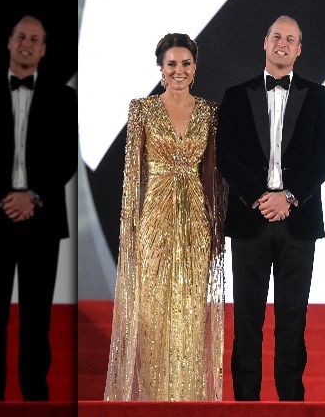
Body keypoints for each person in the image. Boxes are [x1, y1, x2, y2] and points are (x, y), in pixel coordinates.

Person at [217, 15, 325, 401]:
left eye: (291, 38)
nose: (283, 43)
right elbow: (226, 156)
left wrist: (288, 197)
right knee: (247, 322)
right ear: (265, 43)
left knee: (293, 320)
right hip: (249, 220)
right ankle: (245, 406)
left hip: (297, 221)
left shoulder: (320, 97)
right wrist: (260, 196)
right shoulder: (236, 95)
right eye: (277, 36)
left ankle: (292, 404)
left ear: (300, 48)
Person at [103, 33, 225, 401]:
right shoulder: (141, 110)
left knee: (188, 316)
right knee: (153, 317)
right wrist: (133, 229)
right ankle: (156, 401)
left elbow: (212, 174)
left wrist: (215, 227)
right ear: (160, 68)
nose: (179, 70)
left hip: (196, 226)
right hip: (154, 221)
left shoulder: (209, 111)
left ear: (195, 69)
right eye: (172, 63)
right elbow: (132, 178)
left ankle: (186, 401)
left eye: (186, 64)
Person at [0, 15, 77, 401]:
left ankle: (35, 402)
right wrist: (5, 196)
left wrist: (32, 196)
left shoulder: (65, 98)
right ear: (9, 42)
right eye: (22, 37)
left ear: (44, 49)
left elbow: (66, 158)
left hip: (41, 220)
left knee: (37, 321)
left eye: (36, 39)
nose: (27, 43)